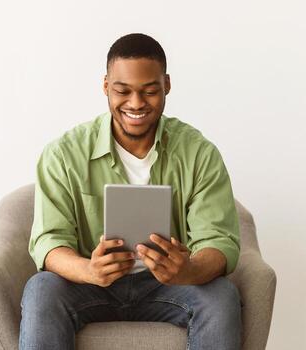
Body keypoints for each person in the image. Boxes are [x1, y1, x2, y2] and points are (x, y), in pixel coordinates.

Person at [20, 33, 242, 350]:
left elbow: (219, 242)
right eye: (123, 91)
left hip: (169, 287)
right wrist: (89, 269)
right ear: (106, 86)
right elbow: (49, 241)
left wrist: (188, 269)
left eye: (149, 91)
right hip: (91, 285)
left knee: (221, 293)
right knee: (41, 288)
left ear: (166, 85)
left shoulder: (198, 153)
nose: (136, 104)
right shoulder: (64, 154)